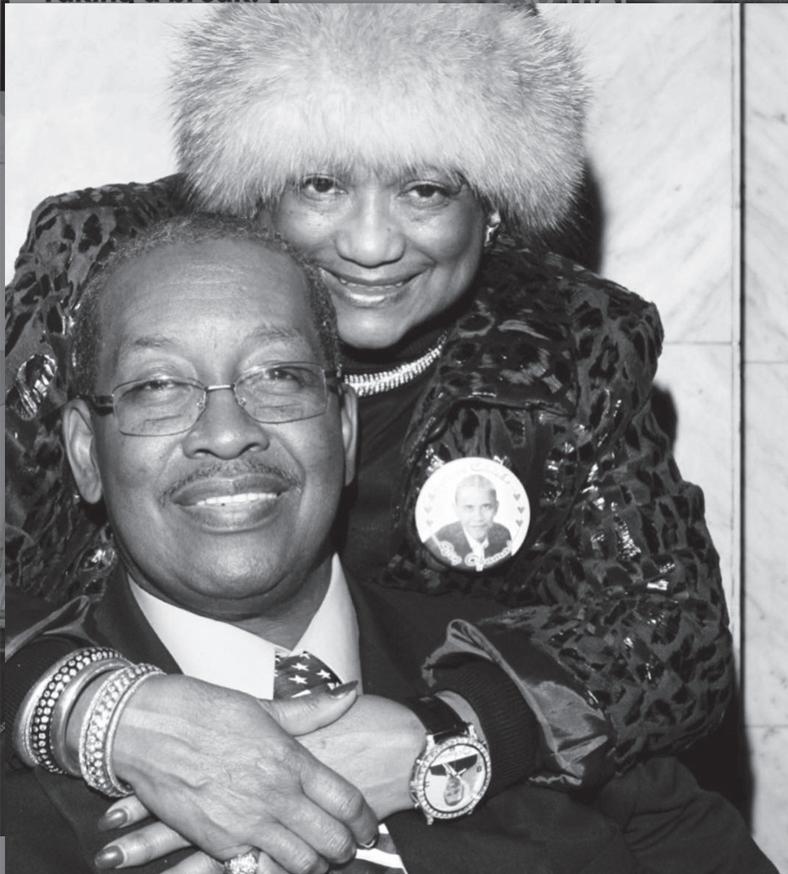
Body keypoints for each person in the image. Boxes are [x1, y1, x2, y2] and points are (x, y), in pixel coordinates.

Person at [4, 5, 737, 872]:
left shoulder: (568, 344)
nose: (369, 244)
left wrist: (450, 737)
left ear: (493, 205)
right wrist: (97, 711)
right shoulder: (113, 271)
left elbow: (675, 635)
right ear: (255, 183)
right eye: (321, 184)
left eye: (425, 189)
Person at [432, 476, 513, 572]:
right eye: (469, 508)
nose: (478, 517)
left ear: (496, 508)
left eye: (486, 506)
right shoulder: (439, 540)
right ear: (456, 510)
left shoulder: (503, 534)